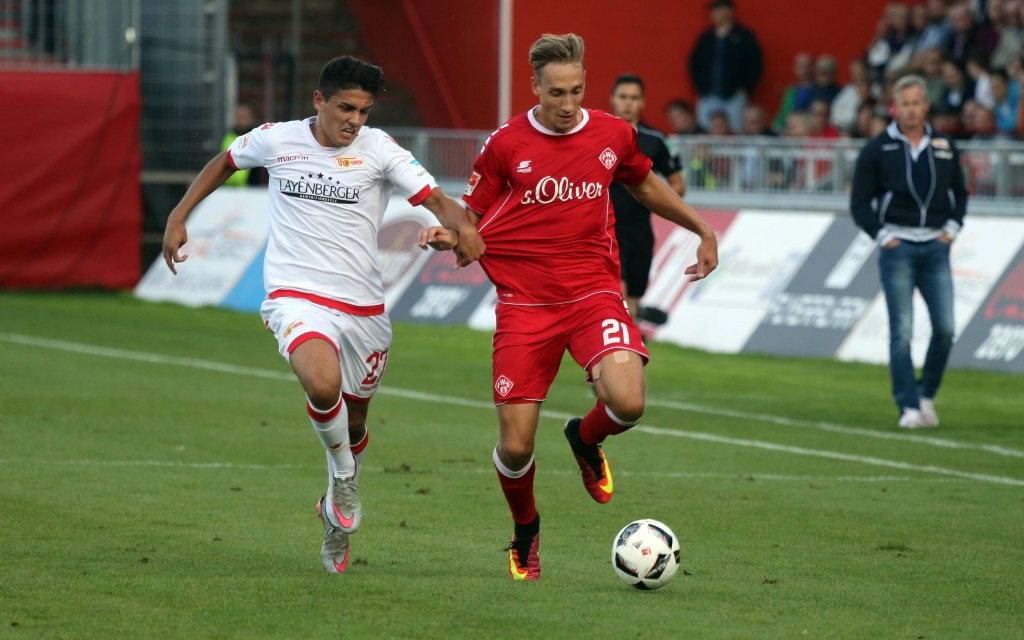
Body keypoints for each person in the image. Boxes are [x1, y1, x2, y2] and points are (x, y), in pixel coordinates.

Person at [161, 56, 484, 573]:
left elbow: (436, 200)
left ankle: (335, 511)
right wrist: (180, 215)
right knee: (320, 382)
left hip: (363, 309)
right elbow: (225, 162)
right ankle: (345, 480)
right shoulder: (277, 139)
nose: (354, 120)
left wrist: (463, 228)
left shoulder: (379, 150)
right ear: (319, 101)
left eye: (364, 110)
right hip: (296, 295)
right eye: (345, 107)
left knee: (354, 422)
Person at [419, 33, 718, 580]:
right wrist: (448, 234)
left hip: (593, 295)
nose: (566, 104)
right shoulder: (506, 143)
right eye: (556, 92)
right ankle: (526, 531)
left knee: (628, 402)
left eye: (576, 91)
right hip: (525, 305)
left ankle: (585, 437)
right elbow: (471, 215)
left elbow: (645, 183)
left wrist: (700, 228)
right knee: (514, 447)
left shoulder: (611, 133)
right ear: (535, 86)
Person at [850, 74, 967, 429]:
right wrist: (883, 236)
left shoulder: (944, 145)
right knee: (901, 330)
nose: (912, 109)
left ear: (926, 105)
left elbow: (960, 193)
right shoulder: (877, 148)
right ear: (894, 107)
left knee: (945, 328)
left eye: (917, 103)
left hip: (936, 246)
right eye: (905, 104)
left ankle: (926, 394)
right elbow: (860, 203)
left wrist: (952, 229)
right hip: (897, 246)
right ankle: (908, 406)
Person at [607, 73, 685, 321]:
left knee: (633, 296)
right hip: (605, 228)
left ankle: (629, 335)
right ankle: (625, 337)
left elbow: (678, 185)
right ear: (613, 100)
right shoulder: (596, 135)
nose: (628, 103)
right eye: (623, 97)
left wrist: (655, 198)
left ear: (642, 102)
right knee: (617, 289)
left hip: (640, 228)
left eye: (634, 98)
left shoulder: (656, 141)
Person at [688, 0, 763, 132]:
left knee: (736, 131)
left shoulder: (743, 36)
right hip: (708, 94)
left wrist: (744, 87)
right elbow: (694, 63)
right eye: (713, 11)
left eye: (718, 10)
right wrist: (701, 87)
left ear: (729, 11)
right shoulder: (706, 37)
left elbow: (755, 63)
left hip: (734, 95)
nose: (714, 14)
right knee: (705, 133)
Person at [221, 103, 267, 187]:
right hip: (228, 188)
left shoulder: (257, 138)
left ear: (252, 119)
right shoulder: (229, 135)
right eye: (237, 117)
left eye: (243, 117)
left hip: (251, 188)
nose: (239, 120)